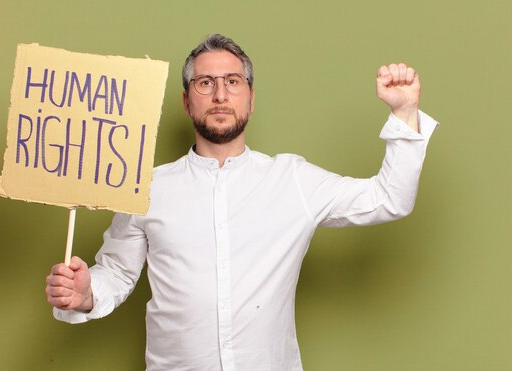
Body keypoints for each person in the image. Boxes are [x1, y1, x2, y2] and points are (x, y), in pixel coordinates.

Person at [45, 34, 438, 370]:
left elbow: (389, 199)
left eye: (232, 82)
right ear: (186, 101)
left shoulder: (293, 180)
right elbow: (116, 272)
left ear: (251, 97)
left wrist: (404, 113)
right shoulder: (145, 188)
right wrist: (85, 295)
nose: (219, 95)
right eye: (205, 83)